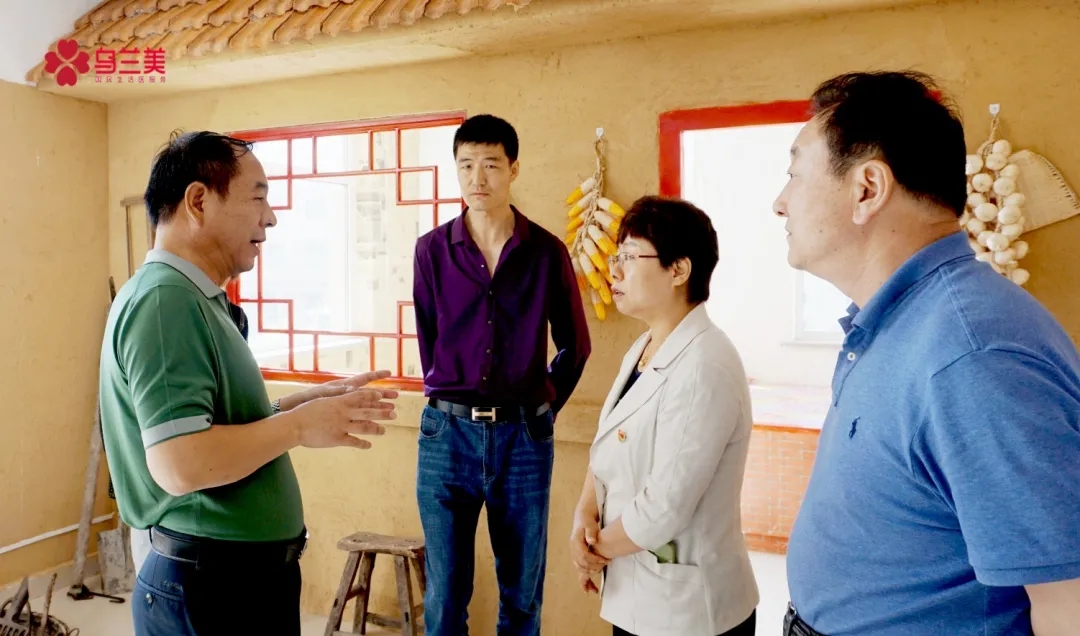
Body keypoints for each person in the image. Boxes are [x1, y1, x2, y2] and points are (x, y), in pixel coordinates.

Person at [776, 71, 1080, 636]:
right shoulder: (896, 318)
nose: (779, 202)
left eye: (794, 174)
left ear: (867, 188)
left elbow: (1070, 603)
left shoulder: (974, 356)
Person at [98, 130, 400, 636]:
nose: (271, 218)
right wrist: (298, 427)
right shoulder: (165, 301)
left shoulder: (195, 299)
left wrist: (294, 408)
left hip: (232, 581)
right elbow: (181, 463)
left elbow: (210, 427)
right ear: (198, 201)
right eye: (258, 198)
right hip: (211, 586)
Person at [412, 114, 592, 635]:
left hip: (523, 438)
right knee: (445, 595)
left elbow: (576, 346)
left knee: (521, 592)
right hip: (446, 435)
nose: (477, 178)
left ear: (513, 168)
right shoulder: (431, 251)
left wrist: (541, 408)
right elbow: (429, 338)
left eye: (490, 164)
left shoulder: (547, 252)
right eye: (466, 165)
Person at [568, 195, 759, 636]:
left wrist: (593, 552)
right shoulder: (644, 347)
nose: (615, 272)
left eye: (630, 257)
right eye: (616, 257)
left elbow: (665, 506)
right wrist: (584, 516)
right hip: (638, 595)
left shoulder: (705, 364)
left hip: (690, 610)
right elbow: (608, 448)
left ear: (679, 270)